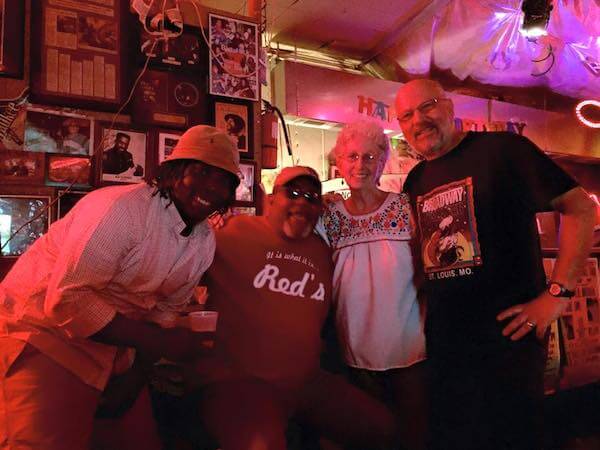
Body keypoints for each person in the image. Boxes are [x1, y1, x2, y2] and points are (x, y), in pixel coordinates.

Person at [0, 125, 241, 450]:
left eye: (224, 179)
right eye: (199, 171)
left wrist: (137, 375)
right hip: (42, 331)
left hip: (111, 347)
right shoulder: (122, 208)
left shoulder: (203, 242)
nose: (211, 185)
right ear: (173, 171)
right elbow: (68, 301)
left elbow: (164, 314)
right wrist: (167, 344)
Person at [396, 79, 597, 450]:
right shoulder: (416, 180)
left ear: (450, 108)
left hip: (508, 343)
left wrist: (558, 294)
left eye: (427, 107)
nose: (418, 120)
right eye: (406, 115)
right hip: (445, 346)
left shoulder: (503, 150)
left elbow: (580, 208)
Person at [195, 166, 398, 450]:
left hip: (307, 382)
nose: (302, 201)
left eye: (312, 197)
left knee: (383, 428)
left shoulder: (323, 251)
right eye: (292, 193)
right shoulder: (231, 233)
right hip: (241, 383)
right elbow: (179, 269)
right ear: (271, 200)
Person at [320, 120, 427, 450]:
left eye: (369, 157)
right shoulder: (328, 215)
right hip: (353, 355)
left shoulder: (406, 208)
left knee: (413, 440)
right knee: (368, 439)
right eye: (351, 156)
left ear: (383, 162)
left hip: (411, 354)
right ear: (340, 162)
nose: (360, 165)